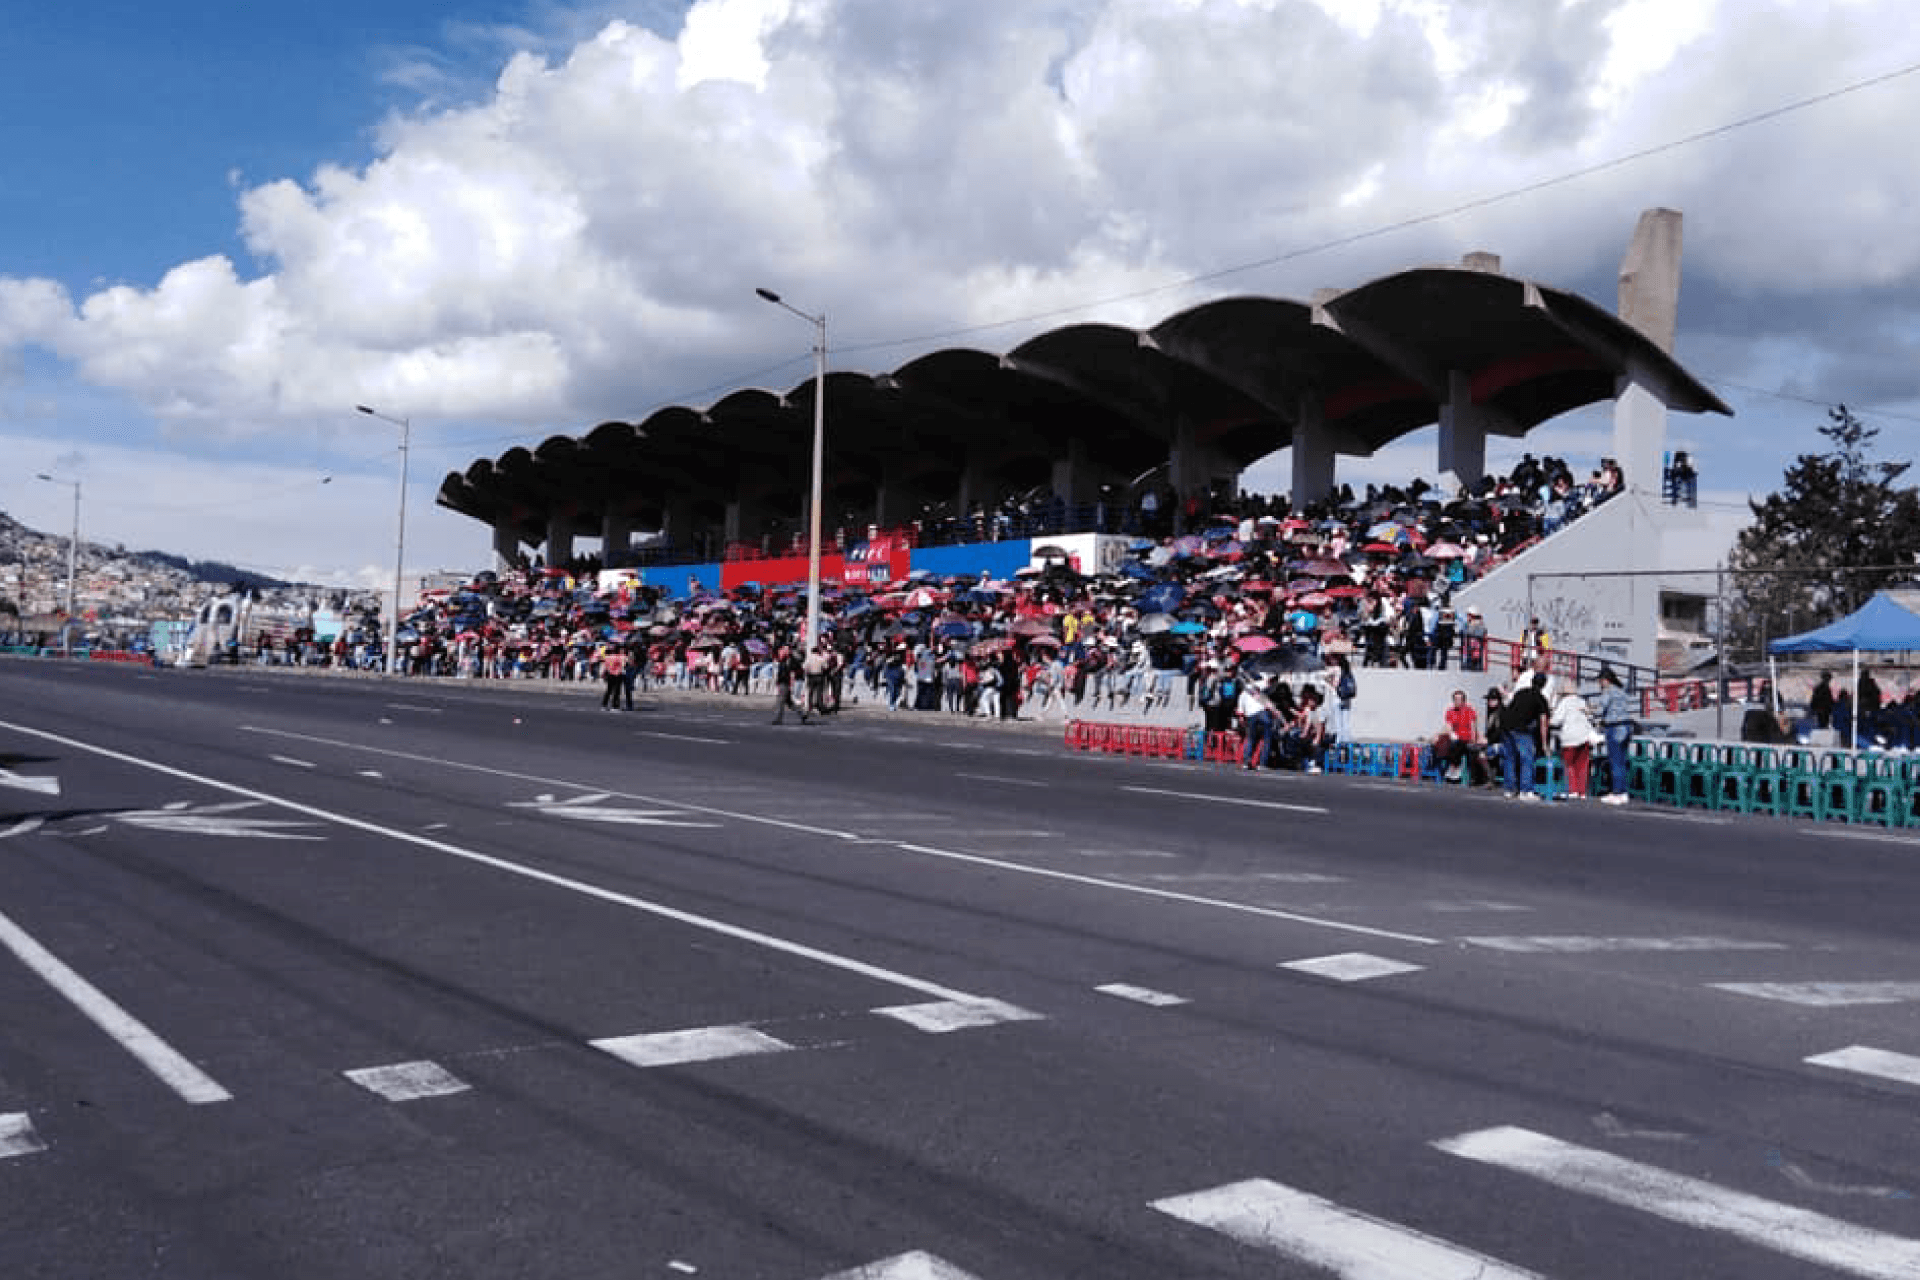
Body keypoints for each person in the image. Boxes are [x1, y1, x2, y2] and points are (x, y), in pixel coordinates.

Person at [1501, 672, 1552, 799]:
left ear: (1532, 681)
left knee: (1510, 758)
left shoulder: (1520, 692)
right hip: (1521, 729)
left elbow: (1510, 706)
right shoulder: (1540, 698)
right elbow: (1543, 722)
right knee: (1527, 758)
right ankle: (1526, 790)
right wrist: (1545, 744)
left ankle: (1509, 789)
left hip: (1506, 726)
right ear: (1544, 685)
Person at [1550, 684, 1602, 800]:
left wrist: (1550, 718)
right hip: (1584, 736)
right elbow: (1590, 717)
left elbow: (1556, 720)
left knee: (1569, 765)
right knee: (1582, 766)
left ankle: (1572, 790)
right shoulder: (1582, 702)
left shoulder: (1564, 702)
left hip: (1570, 738)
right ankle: (1582, 792)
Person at [1593, 665, 1635, 804]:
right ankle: (1623, 792)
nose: (1599, 683)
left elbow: (1601, 709)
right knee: (1622, 761)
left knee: (1614, 761)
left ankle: (1616, 793)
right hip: (1627, 726)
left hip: (1614, 727)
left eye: (1600, 680)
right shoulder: (1621, 691)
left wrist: (1588, 711)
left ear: (1605, 680)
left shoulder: (1608, 690)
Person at [1237, 674, 1279, 771]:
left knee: (1251, 738)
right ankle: (1262, 764)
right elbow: (1268, 697)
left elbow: (1240, 710)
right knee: (1267, 739)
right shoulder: (1262, 685)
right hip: (1262, 712)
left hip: (1250, 715)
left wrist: (1242, 719)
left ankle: (1246, 762)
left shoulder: (1244, 692)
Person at [771, 643, 809, 724]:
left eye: (786, 649)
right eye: (783, 649)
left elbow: (796, 670)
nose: (784, 651)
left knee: (780, 701)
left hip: (786, 683)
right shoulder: (782, 660)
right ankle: (802, 713)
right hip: (782, 682)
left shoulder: (791, 660)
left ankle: (778, 718)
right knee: (790, 703)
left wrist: (792, 681)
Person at [599, 644, 629, 710]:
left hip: (610, 674)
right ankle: (614, 706)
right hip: (618, 674)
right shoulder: (621, 657)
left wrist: (603, 674)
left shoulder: (607, 657)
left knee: (608, 690)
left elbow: (605, 667)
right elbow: (624, 665)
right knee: (617, 691)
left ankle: (604, 705)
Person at [1460, 605, 1488, 672]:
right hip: (1469, 650)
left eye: (1468, 615)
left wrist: (1469, 629)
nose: (1467, 617)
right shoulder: (1468, 624)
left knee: (1473, 667)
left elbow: (1478, 633)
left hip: (1474, 650)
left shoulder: (1479, 625)